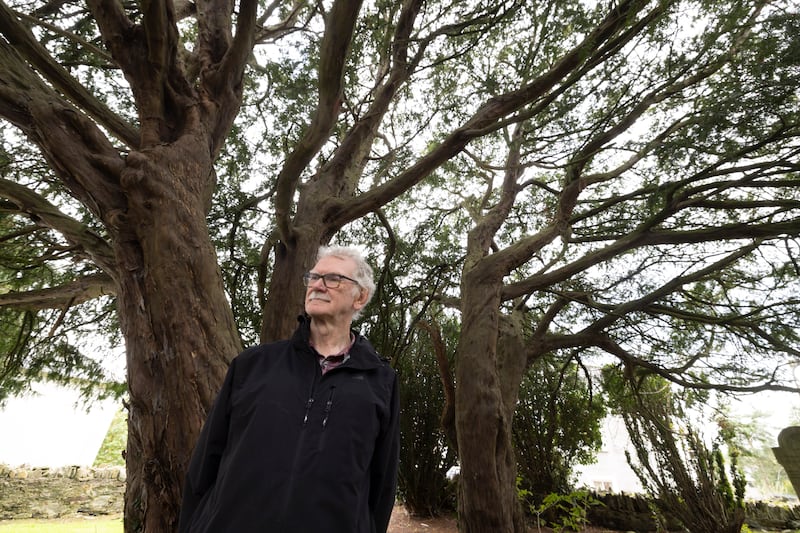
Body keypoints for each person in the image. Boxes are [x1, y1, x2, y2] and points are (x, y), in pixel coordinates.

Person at [178, 246, 400, 533]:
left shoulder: (380, 380)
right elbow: (204, 466)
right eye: (314, 277)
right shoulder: (253, 365)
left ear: (361, 297)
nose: (318, 285)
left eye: (333, 279)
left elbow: (381, 487)